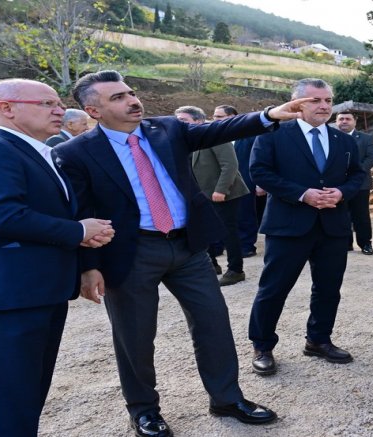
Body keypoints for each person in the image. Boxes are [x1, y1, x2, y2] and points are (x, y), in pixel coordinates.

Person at [55, 70, 304, 435]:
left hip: (187, 247)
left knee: (213, 323)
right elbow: (83, 212)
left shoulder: (168, 129)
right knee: (135, 336)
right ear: (93, 111)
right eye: (118, 98)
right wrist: (89, 267)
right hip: (131, 251)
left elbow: (219, 130)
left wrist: (269, 115)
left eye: (130, 92)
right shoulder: (74, 153)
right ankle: (144, 410)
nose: (132, 100)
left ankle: (226, 398)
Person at [0, 78, 115, 435]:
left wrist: (84, 260)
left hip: (37, 290)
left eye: (58, 103)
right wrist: (79, 231)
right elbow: (1, 216)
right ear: (6, 108)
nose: (59, 110)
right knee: (14, 397)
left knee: (28, 393)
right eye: (46, 103)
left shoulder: (40, 152)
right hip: (5, 293)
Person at [247, 78, 367, 376]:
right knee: (274, 289)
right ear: (296, 102)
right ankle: (262, 345)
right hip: (288, 225)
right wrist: (303, 194)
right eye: (316, 100)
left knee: (328, 288)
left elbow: (356, 176)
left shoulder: (344, 139)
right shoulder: (274, 133)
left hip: (333, 226)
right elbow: (259, 171)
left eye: (328, 100)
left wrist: (341, 192)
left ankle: (318, 340)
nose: (324, 106)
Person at [175, 106, 250, 286]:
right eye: (177, 120)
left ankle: (235, 270)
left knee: (227, 232)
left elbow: (230, 165)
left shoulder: (214, 135)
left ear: (199, 121)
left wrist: (221, 190)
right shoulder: (185, 139)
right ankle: (212, 266)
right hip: (201, 194)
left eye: (183, 120)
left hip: (224, 193)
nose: (179, 124)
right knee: (202, 230)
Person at [215, 105, 260, 258]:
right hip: (221, 183)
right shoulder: (214, 136)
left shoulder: (248, 135)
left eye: (219, 116)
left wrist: (259, 183)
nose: (215, 119)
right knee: (224, 216)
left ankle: (246, 246)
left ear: (232, 117)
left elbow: (257, 158)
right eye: (214, 116)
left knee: (244, 214)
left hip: (245, 182)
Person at [335, 111, 373, 255]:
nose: (344, 121)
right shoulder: (329, 137)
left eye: (348, 119)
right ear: (336, 121)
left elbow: (372, 158)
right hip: (337, 184)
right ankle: (345, 244)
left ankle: (365, 243)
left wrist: (355, 172)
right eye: (341, 119)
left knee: (361, 215)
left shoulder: (366, 138)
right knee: (340, 215)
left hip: (360, 183)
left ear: (354, 121)